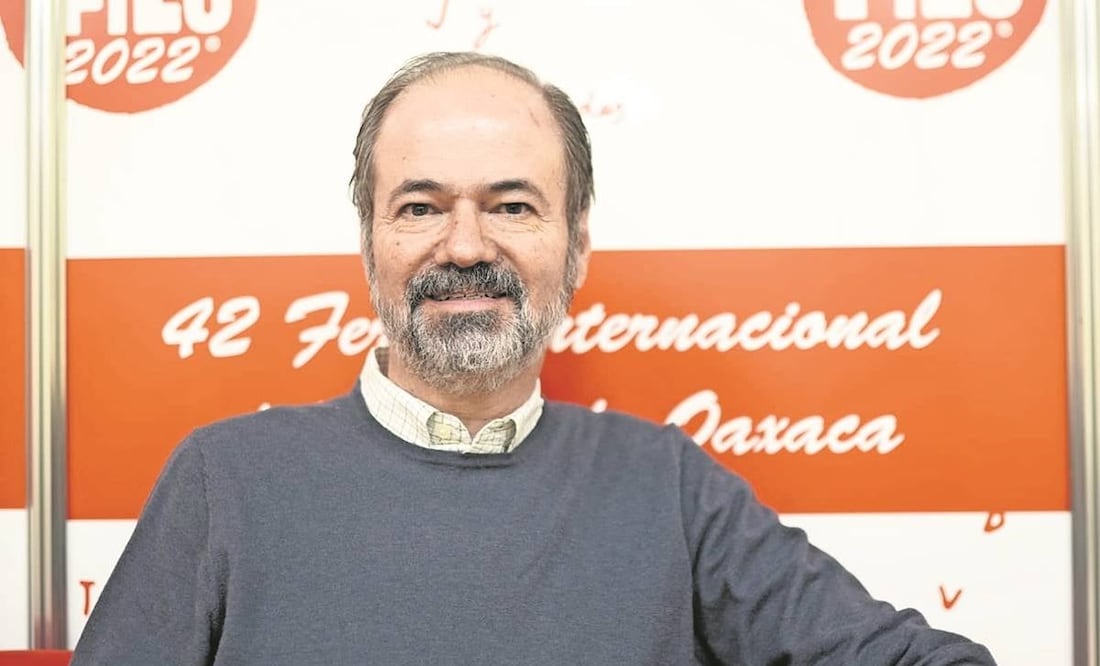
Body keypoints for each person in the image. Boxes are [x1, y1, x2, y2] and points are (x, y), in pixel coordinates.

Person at [72, 52, 997, 665]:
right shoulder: (224, 479)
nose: (466, 246)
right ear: (369, 243)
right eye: (421, 206)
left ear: (577, 244)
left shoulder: (669, 488)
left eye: (512, 205)